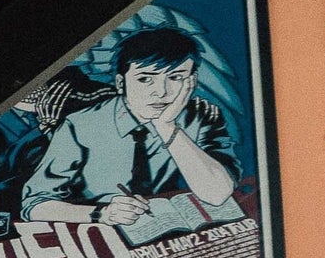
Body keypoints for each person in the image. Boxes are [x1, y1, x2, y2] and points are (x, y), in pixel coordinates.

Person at [22, 24, 240, 229]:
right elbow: (34, 204)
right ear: (120, 82)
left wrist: (166, 126)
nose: (161, 92)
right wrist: (102, 214)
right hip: (102, 231)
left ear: (192, 81)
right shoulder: (80, 125)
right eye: (145, 79)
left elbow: (217, 195)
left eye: (175, 77)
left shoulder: (201, 115)